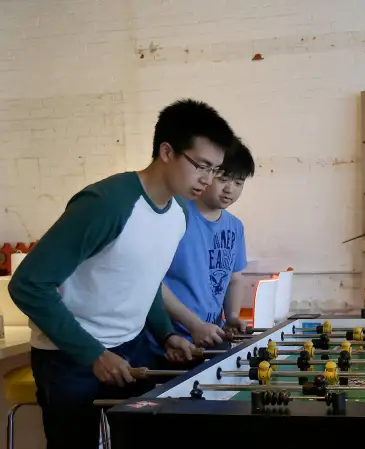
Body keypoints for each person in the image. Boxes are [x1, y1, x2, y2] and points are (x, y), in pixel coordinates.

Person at [8, 98, 240, 449]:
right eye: (201, 167)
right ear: (166, 152)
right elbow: (28, 285)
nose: (207, 181)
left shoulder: (179, 212)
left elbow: (143, 283)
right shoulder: (107, 204)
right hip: (68, 356)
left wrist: (165, 335)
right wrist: (93, 354)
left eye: (215, 171)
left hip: (130, 347)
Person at [144, 139, 255, 369]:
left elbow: (234, 278)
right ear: (206, 173)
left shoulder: (235, 227)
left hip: (212, 337)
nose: (230, 189)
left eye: (238, 182)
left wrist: (232, 316)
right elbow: (151, 282)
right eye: (223, 179)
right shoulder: (174, 214)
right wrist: (193, 325)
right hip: (168, 340)